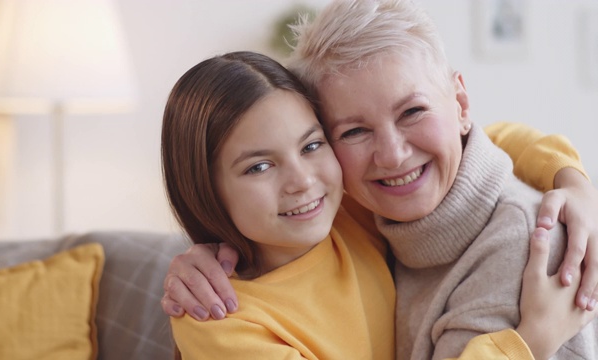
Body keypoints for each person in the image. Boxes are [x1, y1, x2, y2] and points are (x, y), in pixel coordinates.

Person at [162, 50, 593, 359]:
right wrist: (532, 340)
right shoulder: (219, 320)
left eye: (312, 145)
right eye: (258, 167)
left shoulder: (344, 213)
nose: (303, 180)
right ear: (204, 188)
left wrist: (575, 184)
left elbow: (477, 138)